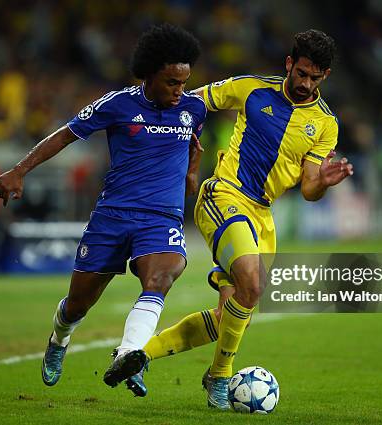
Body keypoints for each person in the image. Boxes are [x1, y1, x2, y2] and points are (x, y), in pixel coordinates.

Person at [126, 29, 353, 408]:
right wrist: (162, 139)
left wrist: (324, 183)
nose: (305, 83)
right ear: (289, 64)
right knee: (253, 282)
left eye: (314, 78)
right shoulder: (251, 89)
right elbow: (192, 100)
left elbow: (310, 190)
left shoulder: (326, 125)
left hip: (263, 216)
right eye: (300, 73)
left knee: (233, 313)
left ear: (325, 76)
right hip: (224, 194)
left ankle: (139, 356)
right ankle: (220, 377)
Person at [0, 24, 206, 389]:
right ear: (148, 75)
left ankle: (128, 354)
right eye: (171, 82)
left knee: (161, 278)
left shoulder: (194, 110)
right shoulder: (117, 104)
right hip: (113, 217)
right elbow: (64, 135)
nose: (180, 91)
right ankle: (59, 338)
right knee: (78, 304)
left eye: (184, 82)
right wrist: (20, 170)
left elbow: (187, 168)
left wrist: (193, 172)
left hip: (161, 218)